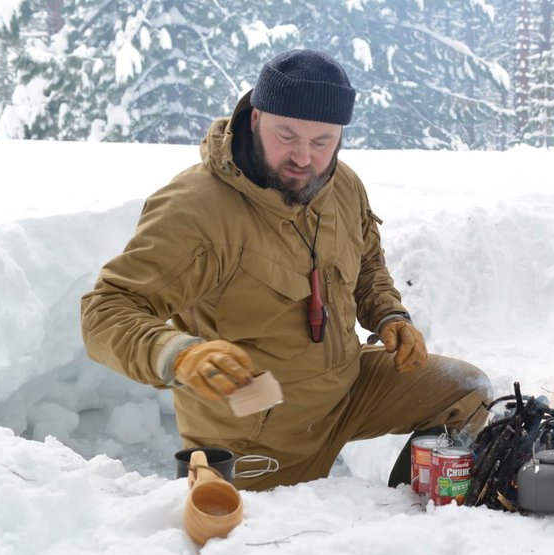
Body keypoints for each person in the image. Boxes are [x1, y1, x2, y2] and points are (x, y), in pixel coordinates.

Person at [80, 49, 491, 491]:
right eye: (287, 135)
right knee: (275, 548)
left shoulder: (342, 185)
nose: (303, 158)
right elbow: (106, 310)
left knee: (466, 390)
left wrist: (390, 316)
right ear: (255, 118)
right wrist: (179, 353)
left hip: (345, 391)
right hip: (255, 430)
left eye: (322, 141)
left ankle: (415, 514)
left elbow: (367, 262)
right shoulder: (196, 210)